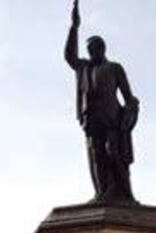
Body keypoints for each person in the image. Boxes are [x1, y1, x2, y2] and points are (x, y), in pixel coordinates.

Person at [64, 0, 140, 204]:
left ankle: (125, 194)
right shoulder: (83, 67)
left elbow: (129, 96)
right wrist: (74, 28)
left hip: (112, 119)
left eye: (93, 49)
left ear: (102, 49)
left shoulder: (115, 68)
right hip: (92, 118)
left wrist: (130, 113)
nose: (90, 53)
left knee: (113, 153)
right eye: (88, 50)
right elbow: (69, 56)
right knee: (96, 155)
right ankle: (102, 193)